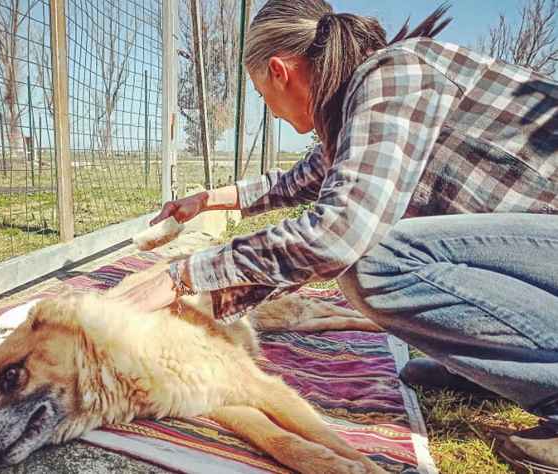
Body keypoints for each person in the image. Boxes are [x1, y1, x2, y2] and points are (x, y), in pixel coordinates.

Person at [108, 1, 558, 471]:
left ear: (279, 71)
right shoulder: (362, 101)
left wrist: (183, 277)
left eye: (261, 96)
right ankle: (491, 366)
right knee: (381, 246)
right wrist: (209, 200)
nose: (273, 113)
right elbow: (305, 179)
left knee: (371, 258)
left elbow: (338, 233)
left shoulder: (394, 75)